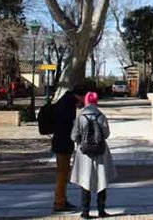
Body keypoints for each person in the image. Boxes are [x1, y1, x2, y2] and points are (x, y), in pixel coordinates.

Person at [71, 91, 117, 219]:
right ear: (96, 101)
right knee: (101, 180)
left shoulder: (80, 116)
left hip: (84, 153)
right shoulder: (101, 115)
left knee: (85, 181)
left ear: (85, 101)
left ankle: (85, 212)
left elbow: (73, 135)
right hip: (100, 152)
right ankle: (101, 211)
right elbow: (106, 134)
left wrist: (80, 141)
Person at [52, 85, 86, 213]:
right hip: (63, 144)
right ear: (80, 96)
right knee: (62, 174)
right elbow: (68, 127)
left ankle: (62, 200)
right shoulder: (68, 104)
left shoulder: (65, 101)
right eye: (84, 99)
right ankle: (59, 203)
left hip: (60, 142)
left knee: (63, 173)